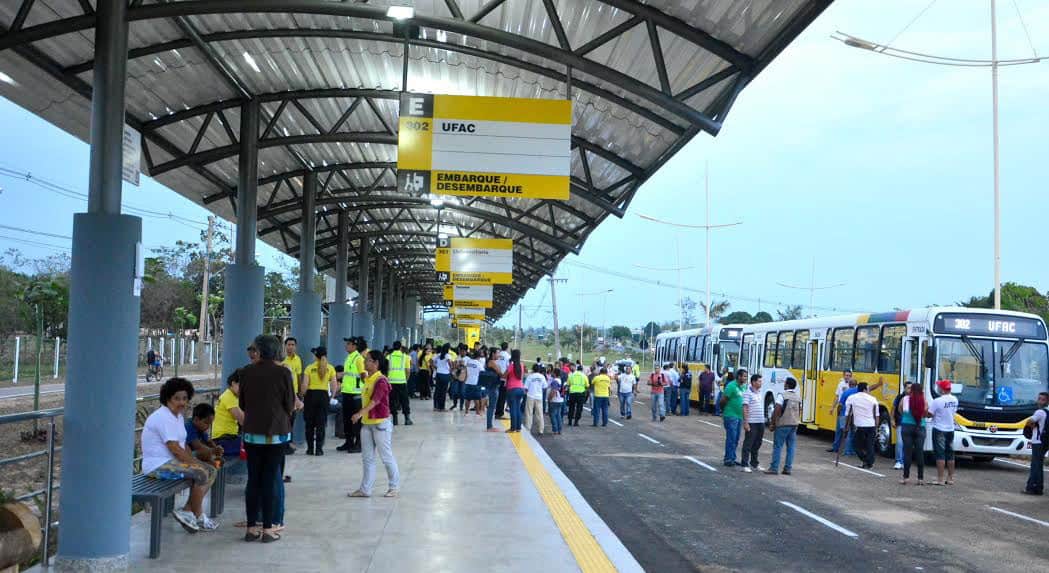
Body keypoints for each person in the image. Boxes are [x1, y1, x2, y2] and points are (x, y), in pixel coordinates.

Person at [141, 377, 219, 533]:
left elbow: (183, 447)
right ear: (168, 398)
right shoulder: (163, 417)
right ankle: (198, 514)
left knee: (211, 470)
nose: (181, 402)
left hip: (172, 463)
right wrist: (196, 464)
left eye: (184, 398)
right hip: (157, 466)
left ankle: (188, 511)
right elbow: (175, 449)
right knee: (201, 472)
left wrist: (198, 462)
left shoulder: (177, 417)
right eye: (177, 398)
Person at [239, 334, 296, 542]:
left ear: (259, 351)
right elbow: (290, 404)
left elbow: (243, 403)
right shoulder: (283, 372)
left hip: (252, 434)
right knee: (271, 479)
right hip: (276, 435)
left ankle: (251, 528)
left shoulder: (246, 372)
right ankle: (269, 529)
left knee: (253, 479)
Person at [348, 349, 401, 498]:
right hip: (367, 424)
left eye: (368, 360)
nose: (364, 362)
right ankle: (365, 489)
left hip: (380, 424)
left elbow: (375, 401)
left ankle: (394, 487)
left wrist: (359, 413)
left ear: (376, 363)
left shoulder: (381, 380)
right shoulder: (369, 379)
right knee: (367, 458)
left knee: (386, 456)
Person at [300, 346, 337, 456]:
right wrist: (331, 397)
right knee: (321, 424)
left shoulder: (309, 368)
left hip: (311, 396)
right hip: (323, 396)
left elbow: (305, 385)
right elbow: (334, 385)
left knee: (309, 424)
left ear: (315, 356)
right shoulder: (330, 368)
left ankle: (310, 449)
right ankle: (319, 449)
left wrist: (302, 396)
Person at [766, 377, 801, 475]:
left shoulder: (782, 395)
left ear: (787, 385)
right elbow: (799, 410)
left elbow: (777, 409)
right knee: (791, 447)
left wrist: (773, 423)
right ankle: (788, 468)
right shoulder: (797, 397)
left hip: (783, 423)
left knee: (778, 446)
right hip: (794, 424)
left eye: (785, 383)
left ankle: (774, 468)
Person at [338, 337, 366, 453]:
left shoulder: (358, 358)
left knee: (357, 421)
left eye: (348, 344)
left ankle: (358, 444)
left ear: (355, 346)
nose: (346, 346)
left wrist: (364, 389)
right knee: (347, 420)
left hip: (356, 394)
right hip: (347, 393)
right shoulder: (349, 358)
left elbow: (363, 375)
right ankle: (349, 442)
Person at [928, 379, 959, 485]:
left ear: (942, 389)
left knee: (940, 454)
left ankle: (940, 479)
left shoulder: (937, 401)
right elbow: (954, 412)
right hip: (951, 429)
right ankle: (950, 478)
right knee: (950, 453)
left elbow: (930, 414)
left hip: (939, 428)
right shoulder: (955, 399)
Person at [213, 362, 246, 457]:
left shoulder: (233, 396)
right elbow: (243, 421)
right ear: (233, 383)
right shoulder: (228, 397)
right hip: (223, 440)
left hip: (229, 438)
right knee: (253, 447)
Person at [845, 382, 880, 469]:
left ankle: (865, 460)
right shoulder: (873, 399)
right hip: (871, 425)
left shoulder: (852, 398)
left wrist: (846, 426)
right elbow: (877, 415)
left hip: (860, 426)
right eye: (868, 389)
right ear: (864, 389)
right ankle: (869, 462)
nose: (869, 390)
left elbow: (848, 414)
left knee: (856, 445)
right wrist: (877, 427)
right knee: (870, 445)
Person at [899, 382, 928, 485]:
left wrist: (908, 417)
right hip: (920, 427)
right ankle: (920, 478)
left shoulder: (905, 399)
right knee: (919, 452)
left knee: (907, 452)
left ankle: (905, 477)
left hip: (907, 426)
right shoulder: (924, 400)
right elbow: (925, 413)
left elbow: (900, 410)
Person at [1023, 391, 1049, 495]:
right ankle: (1039, 487)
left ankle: (1031, 487)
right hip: (1045, 441)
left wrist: (1031, 425)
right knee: (1039, 465)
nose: (1039, 401)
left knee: (1035, 465)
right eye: (1039, 399)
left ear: (1047, 401)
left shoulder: (1039, 412)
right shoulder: (1047, 411)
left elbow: (1029, 421)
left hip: (1038, 441)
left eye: (1042, 399)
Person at [740, 374, 766, 473]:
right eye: (759, 381)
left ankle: (754, 463)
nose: (761, 383)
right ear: (753, 382)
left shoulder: (759, 392)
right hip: (752, 422)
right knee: (748, 443)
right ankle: (745, 464)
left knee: (757, 443)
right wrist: (746, 422)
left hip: (760, 421)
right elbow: (745, 408)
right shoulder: (747, 393)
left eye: (761, 381)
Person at [282, 337, 304, 455]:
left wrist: (300, 392)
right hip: (284, 395)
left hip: (294, 394)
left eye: (292, 345)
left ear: (295, 347)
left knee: (292, 420)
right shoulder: (282, 360)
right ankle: (284, 444)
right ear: (285, 346)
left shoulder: (298, 360)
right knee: (285, 420)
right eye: (288, 344)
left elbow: (299, 376)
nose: (290, 347)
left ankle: (288, 443)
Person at [721, 368, 746, 467]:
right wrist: (724, 411)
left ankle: (732, 457)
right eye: (744, 376)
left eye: (746, 376)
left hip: (739, 416)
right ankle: (728, 459)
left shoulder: (743, 387)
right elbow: (723, 400)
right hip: (731, 416)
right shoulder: (731, 386)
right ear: (739, 376)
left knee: (736, 438)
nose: (745, 378)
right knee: (731, 438)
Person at [828, 377, 859, 455]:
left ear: (849, 384)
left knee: (843, 432)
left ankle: (842, 450)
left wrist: (838, 413)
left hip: (844, 414)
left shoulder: (846, 392)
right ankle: (851, 450)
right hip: (855, 415)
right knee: (852, 433)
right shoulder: (858, 391)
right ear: (856, 385)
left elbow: (840, 404)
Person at [387, 341, 413, 425]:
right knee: (404, 400)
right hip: (402, 381)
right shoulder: (405, 357)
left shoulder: (388, 357)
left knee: (392, 400)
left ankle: (395, 419)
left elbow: (386, 370)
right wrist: (406, 379)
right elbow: (408, 371)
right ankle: (407, 419)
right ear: (400, 347)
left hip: (391, 381)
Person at [481, 347, 503, 432]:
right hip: (493, 387)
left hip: (492, 386)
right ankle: (489, 426)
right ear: (493, 354)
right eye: (497, 353)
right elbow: (501, 373)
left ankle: (490, 425)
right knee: (491, 407)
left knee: (492, 406)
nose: (499, 355)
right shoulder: (492, 362)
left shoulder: (491, 362)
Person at [891, 383, 912, 470]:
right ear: (904, 388)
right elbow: (894, 408)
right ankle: (899, 461)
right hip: (900, 422)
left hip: (911, 424)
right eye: (908, 388)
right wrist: (892, 419)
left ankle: (904, 461)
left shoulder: (915, 398)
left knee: (907, 443)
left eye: (911, 388)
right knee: (900, 442)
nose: (910, 390)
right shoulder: (900, 397)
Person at [523, 364, 548, 435]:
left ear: (533, 369)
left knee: (529, 413)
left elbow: (526, 388)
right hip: (539, 396)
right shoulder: (542, 377)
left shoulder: (530, 376)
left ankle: (528, 428)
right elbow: (545, 386)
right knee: (539, 413)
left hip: (530, 396)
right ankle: (541, 429)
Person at [505, 349, 526, 432]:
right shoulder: (521, 365)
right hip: (520, 389)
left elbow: (504, 375)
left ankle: (513, 428)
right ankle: (518, 427)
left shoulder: (511, 365)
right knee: (518, 408)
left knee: (513, 409)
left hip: (512, 389)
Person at [462, 348, 484, 416]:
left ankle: (466, 412)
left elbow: (465, 369)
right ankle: (477, 412)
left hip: (468, 382)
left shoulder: (469, 361)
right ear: (479, 357)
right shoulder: (479, 363)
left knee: (467, 398)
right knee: (476, 399)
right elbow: (482, 372)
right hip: (476, 383)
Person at [432, 344, 453, 411]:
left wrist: (436, 367)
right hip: (445, 375)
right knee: (443, 392)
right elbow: (449, 362)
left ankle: (436, 406)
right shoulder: (447, 355)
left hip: (438, 374)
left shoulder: (438, 355)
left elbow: (431, 361)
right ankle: (442, 407)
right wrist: (451, 369)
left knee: (437, 391)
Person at [548, 367, 565, 435]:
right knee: (558, 415)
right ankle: (559, 429)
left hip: (555, 400)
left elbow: (554, 390)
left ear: (554, 373)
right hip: (560, 399)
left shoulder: (555, 381)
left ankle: (555, 429)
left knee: (552, 415)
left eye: (552, 372)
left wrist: (549, 398)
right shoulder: (561, 380)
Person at [495, 342, 511, 419]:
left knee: (496, 395)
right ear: (507, 347)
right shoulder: (508, 356)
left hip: (496, 377)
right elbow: (508, 368)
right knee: (502, 397)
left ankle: (496, 410)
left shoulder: (497, 355)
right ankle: (499, 413)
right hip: (503, 378)